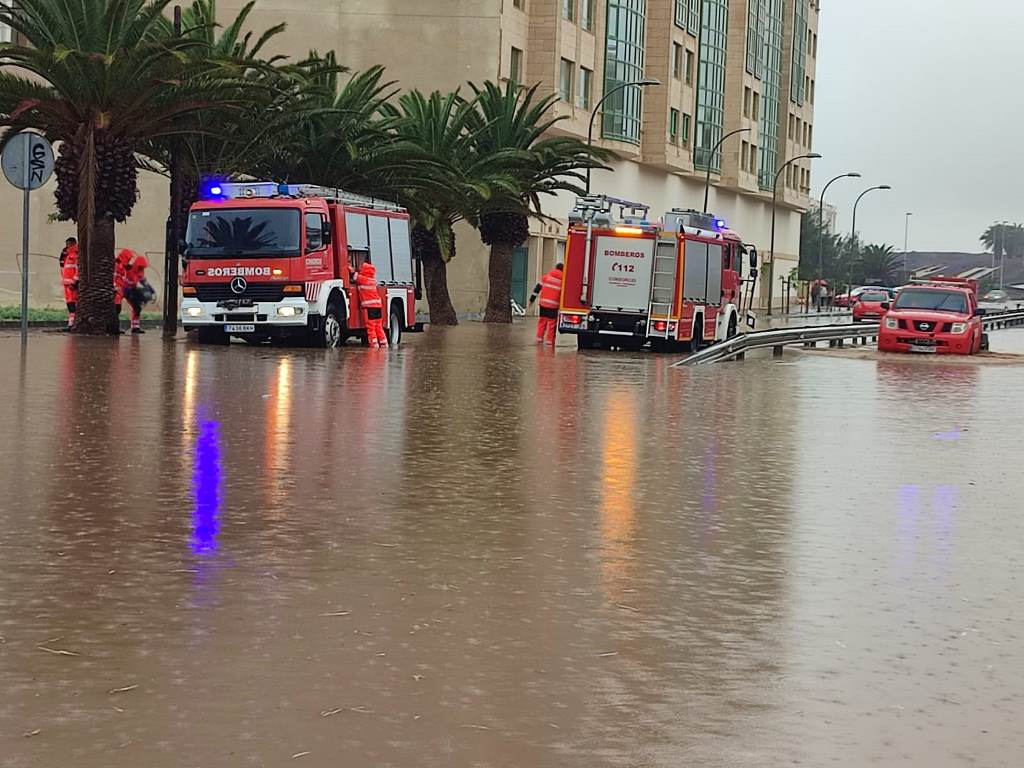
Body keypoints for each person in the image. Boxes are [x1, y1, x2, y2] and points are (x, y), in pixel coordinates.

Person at [352, 261, 388, 348]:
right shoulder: (373, 281)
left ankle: (374, 346)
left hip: (369, 307)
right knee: (378, 327)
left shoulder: (364, 280)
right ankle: (384, 344)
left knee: (371, 327)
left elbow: (354, 276)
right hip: (378, 306)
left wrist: (350, 268)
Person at [528, 262, 564, 346]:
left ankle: (539, 340)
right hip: (554, 306)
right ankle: (549, 343)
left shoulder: (546, 277)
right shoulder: (563, 281)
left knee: (542, 322)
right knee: (551, 324)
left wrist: (531, 300)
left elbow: (536, 289)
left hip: (543, 304)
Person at [121, 250, 152, 334]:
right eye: (140, 267)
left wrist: (150, 290)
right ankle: (134, 327)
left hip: (132, 290)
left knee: (137, 309)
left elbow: (143, 281)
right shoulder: (129, 270)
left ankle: (135, 327)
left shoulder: (139, 270)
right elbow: (127, 281)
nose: (141, 269)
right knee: (119, 307)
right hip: (126, 290)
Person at [61, 244, 79, 330]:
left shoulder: (75, 257)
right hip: (67, 285)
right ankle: (71, 323)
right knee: (70, 305)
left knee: (72, 306)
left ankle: (72, 324)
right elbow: (62, 266)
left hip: (72, 286)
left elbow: (79, 271)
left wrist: (75, 283)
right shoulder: (68, 256)